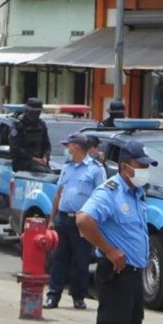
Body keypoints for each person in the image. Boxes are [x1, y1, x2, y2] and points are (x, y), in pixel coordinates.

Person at [77, 140, 157, 324]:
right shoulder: (110, 192)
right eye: (141, 165)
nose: (145, 170)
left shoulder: (136, 194)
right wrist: (110, 250)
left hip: (133, 274)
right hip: (116, 274)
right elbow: (84, 220)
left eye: (147, 165)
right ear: (125, 167)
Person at [44, 133, 107, 310]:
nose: (66, 149)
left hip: (82, 221)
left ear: (77, 147)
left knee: (81, 261)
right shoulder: (67, 168)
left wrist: (95, 221)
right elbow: (58, 194)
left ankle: (78, 296)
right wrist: (52, 219)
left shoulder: (95, 169)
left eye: (69, 146)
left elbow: (100, 197)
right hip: (64, 218)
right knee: (59, 259)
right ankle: (53, 295)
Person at [10, 97, 51, 173]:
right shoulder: (18, 125)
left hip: (40, 163)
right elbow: (15, 148)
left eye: (38, 112)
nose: (35, 114)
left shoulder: (42, 125)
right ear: (27, 110)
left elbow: (47, 145)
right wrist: (34, 159)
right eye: (33, 112)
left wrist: (45, 157)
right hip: (22, 164)